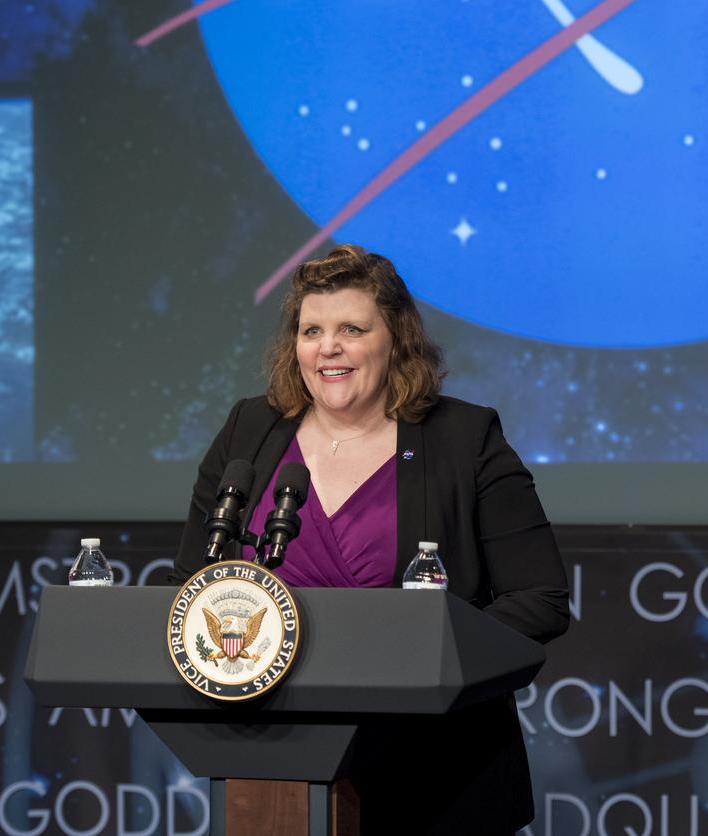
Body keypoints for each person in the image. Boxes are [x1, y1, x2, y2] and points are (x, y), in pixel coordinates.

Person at [170, 243, 570, 835]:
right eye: (312, 331)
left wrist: (427, 653)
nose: (328, 347)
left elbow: (540, 597)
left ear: (396, 341)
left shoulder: (464, 438)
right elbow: (191, 583)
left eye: (351, 328)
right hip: (273, 755)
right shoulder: (249, 430)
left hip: (437, 767)